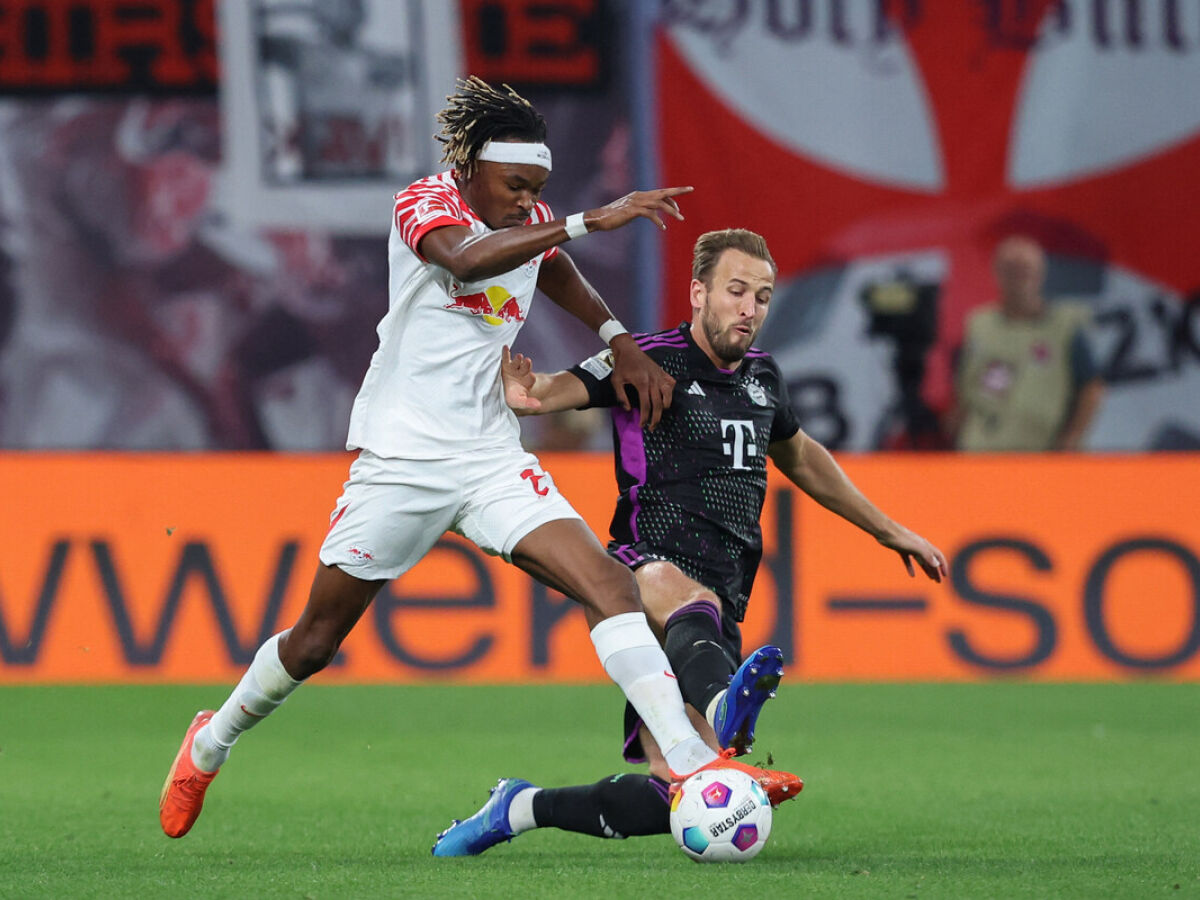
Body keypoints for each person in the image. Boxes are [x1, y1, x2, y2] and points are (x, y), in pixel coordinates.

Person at [158, 79, 801, 839]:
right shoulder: (426, 205)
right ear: (471, 169)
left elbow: (549, 266)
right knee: (315, 641)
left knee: (608, 584)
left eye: (539, 191)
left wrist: (618, 338)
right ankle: (210, 742)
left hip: (491, 457)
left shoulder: (526, 221)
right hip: (402, 462)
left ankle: (693, 760)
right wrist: (587, 219)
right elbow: (466, 263)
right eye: (516, 186)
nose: (526, 202)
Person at [431, 228, 947, 856]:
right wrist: (526, 394)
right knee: (679, 596)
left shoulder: (764, 379)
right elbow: (552, 391)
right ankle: (725, 700)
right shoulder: (645, 359)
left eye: (761, 295)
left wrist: (889, 530)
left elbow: (804, 458)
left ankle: (518, 808)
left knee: (673, 792)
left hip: (720, 601)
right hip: (641, 569)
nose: (749, 308)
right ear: (699, 292)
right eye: (735, 291)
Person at [949, 235, 1105, 452]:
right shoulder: (980, 324)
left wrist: (1073, 436)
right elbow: (966, 382)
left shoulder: (1062, 327)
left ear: (1040, 274)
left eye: (1025, 271)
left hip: (1038, 449)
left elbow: (1091, 387)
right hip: (981, 446)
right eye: (1011, 271)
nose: (1019, 279)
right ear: (998, 273)